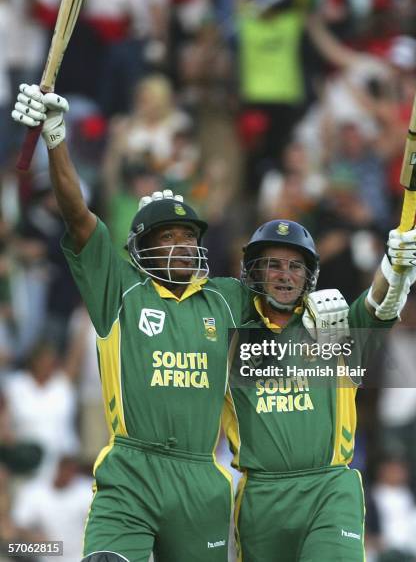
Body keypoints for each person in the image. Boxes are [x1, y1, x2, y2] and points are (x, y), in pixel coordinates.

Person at [11, 84, 252, 561]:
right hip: (131, 470)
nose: (183, 244)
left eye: (189, 235)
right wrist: (57, 139)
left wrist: (387, 287)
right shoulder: (119, 286)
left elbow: (285, 293)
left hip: (202, 479)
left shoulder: (223, 297)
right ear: (142, 249)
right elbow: (78, 217)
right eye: (168, 236)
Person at [223, 218, 416, 562]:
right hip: (260, 497)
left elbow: (377, 304)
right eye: (273, 265)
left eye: (295, 266)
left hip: (328, 490)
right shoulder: (229, 333)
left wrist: (394, 268)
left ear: (309, 276)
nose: (284, 274)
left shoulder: (334, 327)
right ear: (255, 272)